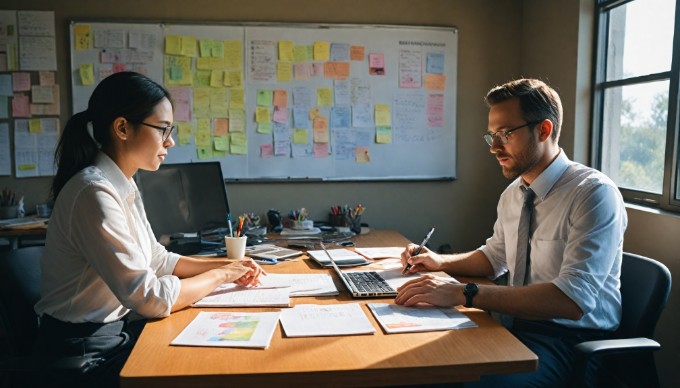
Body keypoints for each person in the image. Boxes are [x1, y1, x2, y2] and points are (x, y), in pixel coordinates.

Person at [34, 72, 264, 386]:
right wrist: (220, 276)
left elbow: (157, 260)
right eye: (163, 129)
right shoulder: (94, 193)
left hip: (113, 333)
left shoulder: (123, 183)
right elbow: (149, 297)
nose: (170, 141)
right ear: (122, 128)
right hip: (83, 350)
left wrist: (227, 265)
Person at [396, 78, 627, 386]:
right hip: (509, 326)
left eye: (505, 134)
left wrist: (464, 293)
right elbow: (495, 257)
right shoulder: (514, 193)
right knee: (418, 365)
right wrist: (440, 262)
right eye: (491, 136)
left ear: (543, 130)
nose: (494, 147)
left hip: (567, 343)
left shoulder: (593, 194)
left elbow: (570, 301)